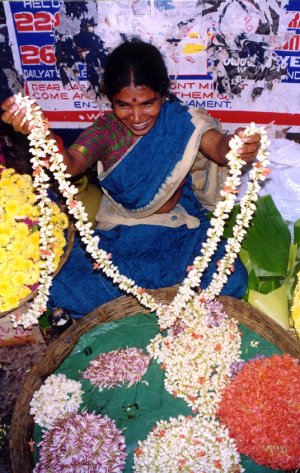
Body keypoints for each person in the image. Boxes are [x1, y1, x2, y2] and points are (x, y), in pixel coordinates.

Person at [1, 39, 261, 319]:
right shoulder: (107, 131)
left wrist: (240, 144)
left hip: (178, 230)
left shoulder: (182, 123)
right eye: (123, 105)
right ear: (111, 100)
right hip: (122, 236)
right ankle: (166, 302)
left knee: (231, 277)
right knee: (63, 284)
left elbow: (220, 148)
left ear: (162, 94)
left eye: (147, 103)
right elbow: (70, 164)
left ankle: (134, 306)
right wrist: (41, 134)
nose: (137, 116)